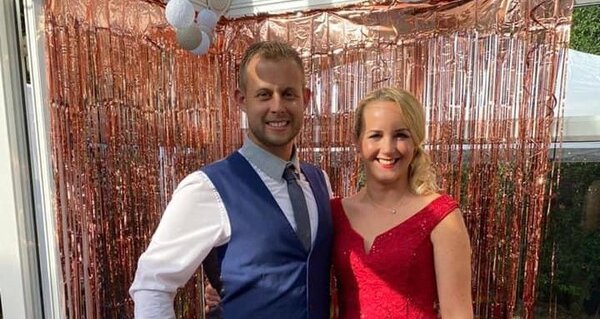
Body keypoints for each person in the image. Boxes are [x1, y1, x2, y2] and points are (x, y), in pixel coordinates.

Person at [129, 40, 334, 319]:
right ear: (241, 100)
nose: (277, 106)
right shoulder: (207, 187)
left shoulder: (319, 181)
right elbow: (153, 284)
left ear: (306, 99)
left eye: (288, 94)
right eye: (264, 95)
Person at [331, 87, 473, 318]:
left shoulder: (441, 216)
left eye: (401, 135)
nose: (388, 148)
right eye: (375, 135)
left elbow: (457, 313)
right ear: (357, 141)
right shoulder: (334, 213)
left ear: (415, 141)